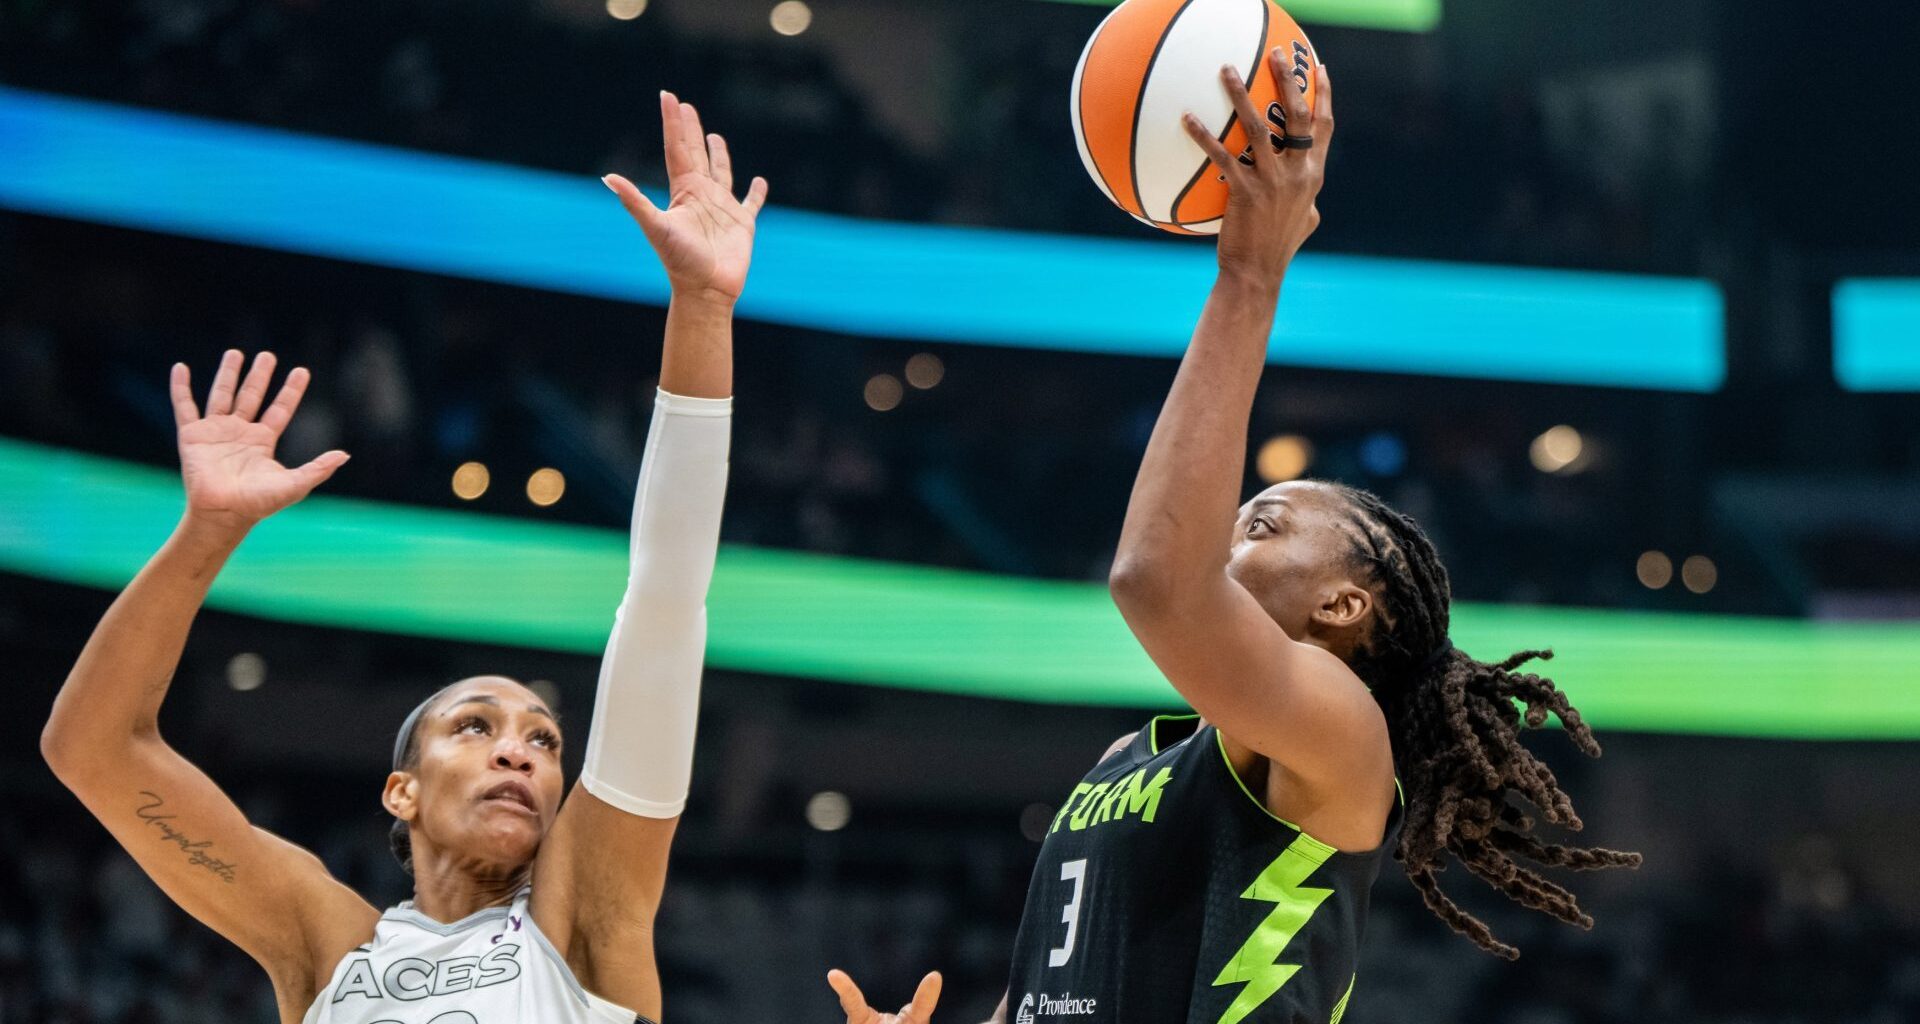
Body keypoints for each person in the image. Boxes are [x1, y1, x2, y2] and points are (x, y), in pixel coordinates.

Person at [831, 54, 1638, 1024]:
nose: (1223, 532)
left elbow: (1155, 579)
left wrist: (1250, 278)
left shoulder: (1341, 734)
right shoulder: (1132, 755)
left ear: (1344, 603)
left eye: (1262, 522)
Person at [40, 92, 766, 1024]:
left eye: (543, 741)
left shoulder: (584, 918)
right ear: (402, 791)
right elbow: (93, 750)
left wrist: (702, 309)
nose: (521, 752)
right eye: (476, 727)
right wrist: (205, 536)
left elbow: (665, 603)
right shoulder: (327, 945)